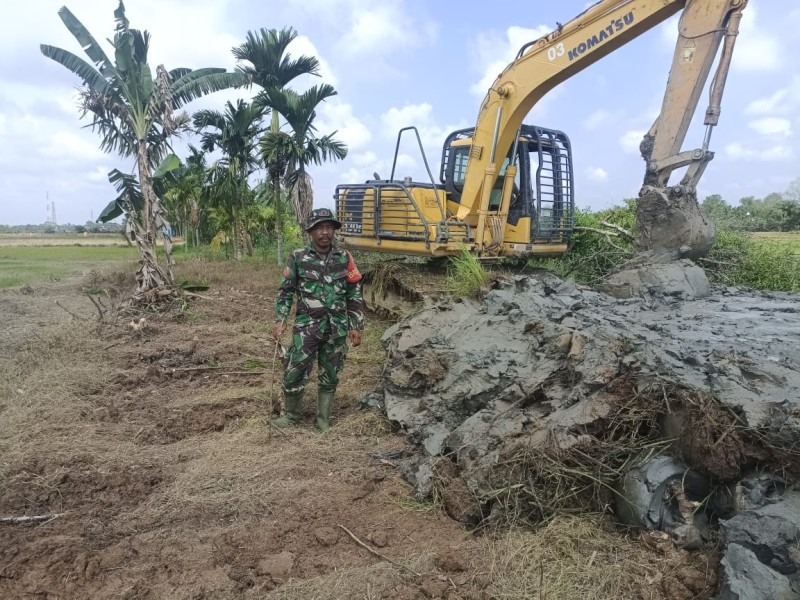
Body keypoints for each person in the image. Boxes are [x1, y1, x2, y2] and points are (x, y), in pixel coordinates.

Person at [271, 207, 365, 431]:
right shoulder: (298, 257)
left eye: (329, 227)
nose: (325, 232)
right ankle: (292, 416)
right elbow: (285, 292)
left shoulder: (345, 258)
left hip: (336, 329)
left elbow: (354, 292)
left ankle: (322, 421)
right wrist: (280, 319)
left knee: (330, 375)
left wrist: (356, 325)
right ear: (310, 232)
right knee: (294, 371)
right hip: (307, 329)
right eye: (320, 228)